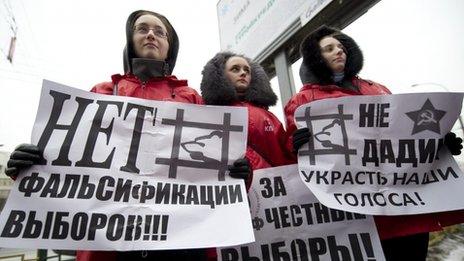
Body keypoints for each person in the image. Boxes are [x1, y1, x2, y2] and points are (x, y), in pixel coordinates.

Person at [5, 10, 248, 261]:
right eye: (142, 29)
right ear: (130, 40)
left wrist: (238, 175)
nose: (151, 34)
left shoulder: (192, 98)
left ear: (170, 46)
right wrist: (28, 170)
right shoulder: (101, 93)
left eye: (160, 31)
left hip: (179, 246)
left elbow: (213, 177)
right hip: (110, 247)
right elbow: (71, 168)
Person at [285, 25, 464, 261]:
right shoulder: (304, 100)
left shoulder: (377, 88)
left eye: (340, 47)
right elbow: (290, 157)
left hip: (404, 208)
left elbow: (404, 135)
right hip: (356, 215)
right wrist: (294, 146)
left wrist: (437, 143)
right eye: (329, 49)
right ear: (316, 58)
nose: (339, 51)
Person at [200, 51, 294, 260]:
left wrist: (298, 146)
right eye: (235, 69)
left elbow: (286, 160)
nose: (243, 73)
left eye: (247, 70)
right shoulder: (203, 114)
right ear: (220, 76)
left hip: (272, 209)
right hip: (227, 209)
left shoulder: (269, 116)